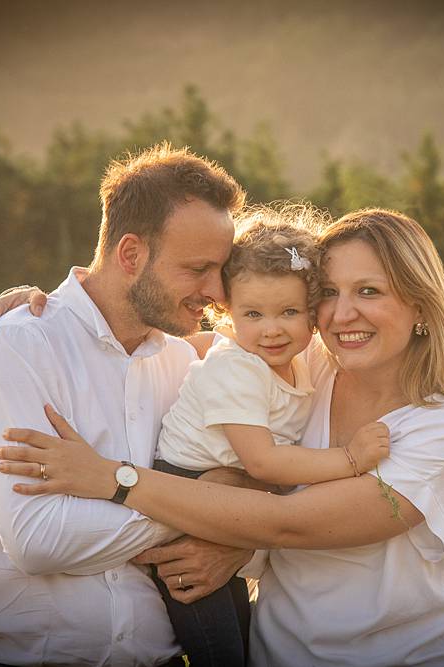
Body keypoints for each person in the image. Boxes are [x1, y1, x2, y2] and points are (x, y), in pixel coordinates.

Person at [0, 208, 444, 666]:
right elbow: (162, 337)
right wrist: (48, 314)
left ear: (423, 305)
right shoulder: (306, 367)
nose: (342, 315)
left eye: (369, 291)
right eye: (329, 294)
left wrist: (114, 479)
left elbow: (290, 525)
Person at [0, 143, 254, 667]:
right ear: (130, 254)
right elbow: (38, 541)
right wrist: (212, 507)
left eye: (221, 270)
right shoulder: (18, 343)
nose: (217, 291)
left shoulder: (186, 364)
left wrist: (235, 535)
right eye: (199, 268)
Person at [144, 206, 390, 666]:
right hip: (183, 502)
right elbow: (262, 462)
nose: (272, 328)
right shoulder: (237, 367)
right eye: (253, 313)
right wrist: (350, 460)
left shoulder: (297, 360)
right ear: (227, 312)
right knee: (222, 652)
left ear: (313, 314)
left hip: (229, 505)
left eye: (290, 312)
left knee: (242, 638)